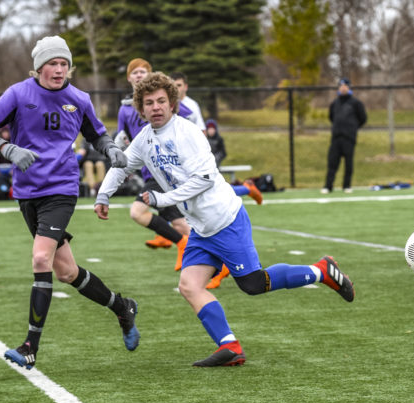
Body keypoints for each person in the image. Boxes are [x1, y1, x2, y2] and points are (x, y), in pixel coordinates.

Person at [94, 72, 355, 367]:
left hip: (226, 220)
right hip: (202, 228)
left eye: (161, 101)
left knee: (253, 284)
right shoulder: (144, 138)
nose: (156, 107)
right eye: (149, 102)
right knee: (189, 285)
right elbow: (121, 165)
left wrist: (162, 199)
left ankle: (322, 270)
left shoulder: (188, 133)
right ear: (141, 108)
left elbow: (204, 179)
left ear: (172, 103)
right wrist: (103, 195)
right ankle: (230, 346)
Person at [0, 35, 139, 370]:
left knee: (40, 257)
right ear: (38, 68)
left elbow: (96, 134)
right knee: (66, 271)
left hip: (62, 190)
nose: (59, 69)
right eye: (53, 63)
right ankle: (122, 307)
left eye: (64, 64)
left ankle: (31, 346)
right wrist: (8, 149)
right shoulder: (18, 93)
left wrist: (111, 149)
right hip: (27, 192)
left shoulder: (79, 98)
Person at [118, 58, 191, 263]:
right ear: (128, 77)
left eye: (143, 71)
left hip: (166, 169)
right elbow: (124, 138)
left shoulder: (162, 99)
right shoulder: (124, 109)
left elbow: (184, 115)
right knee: (181, 224)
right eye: (135, 72)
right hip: (149, 170)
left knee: (137, 212)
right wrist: (120, 144)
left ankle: (181, 244)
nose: (139, 75)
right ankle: (219, 262)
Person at [321, 78, 366, 194]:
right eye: (341, 86)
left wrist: (352, 128)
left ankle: (347, 186)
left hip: (349, 138)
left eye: (345, 86)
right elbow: (331, 117)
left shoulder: (356, 103)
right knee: (332, 163)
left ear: (349, 87)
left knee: (348, 163)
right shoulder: (335, 103)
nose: (343, 88)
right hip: (336, 138)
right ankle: (328, 186)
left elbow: (363, 118)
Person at [206, 118, 263, 205]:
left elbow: (223, 153)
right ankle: (247, 188)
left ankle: (247, 188)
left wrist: (214, 159)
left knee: (217, 190)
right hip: (205, 167)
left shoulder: (217, 139)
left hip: (211, 167)